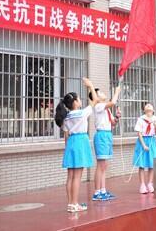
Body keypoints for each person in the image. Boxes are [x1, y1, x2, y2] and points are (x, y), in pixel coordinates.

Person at [54, 77, 98, 213]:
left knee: (70, 176)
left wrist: (67, 149)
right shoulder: (82, 113)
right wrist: (91, 85)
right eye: (79, 99)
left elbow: (66, 136)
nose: (80, 101)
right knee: (78, 177)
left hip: (71, 144)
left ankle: (70, 204)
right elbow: (95, 101)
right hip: (80, 142)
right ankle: (75, 204)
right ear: (75, 102)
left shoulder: (66, 117)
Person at [90, 85, 121, 201]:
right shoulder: (98, 106)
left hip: (107, 135)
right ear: (96, 98)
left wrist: (117, 117)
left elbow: (113, 123)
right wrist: (117, 91)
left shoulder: (106, 109)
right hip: (102, 135)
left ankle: (103, 190)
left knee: (104, 166)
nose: (103, 93)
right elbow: (112, 102)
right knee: (100, 165)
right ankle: (97, 192)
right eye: (100, 93)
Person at [133, 103, 156, 194]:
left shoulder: (155, 119)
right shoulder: (140, 119)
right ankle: (142, 185)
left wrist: (155, 126)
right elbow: (139, 133)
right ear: (144, 110)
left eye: (150, 105)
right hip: (142, 141)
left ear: (153, 110)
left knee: (152, 164)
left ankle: (150, 183)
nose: (148, 106)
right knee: (142, 164)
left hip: (152, 141)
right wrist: (143, 145)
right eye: (146, 106)